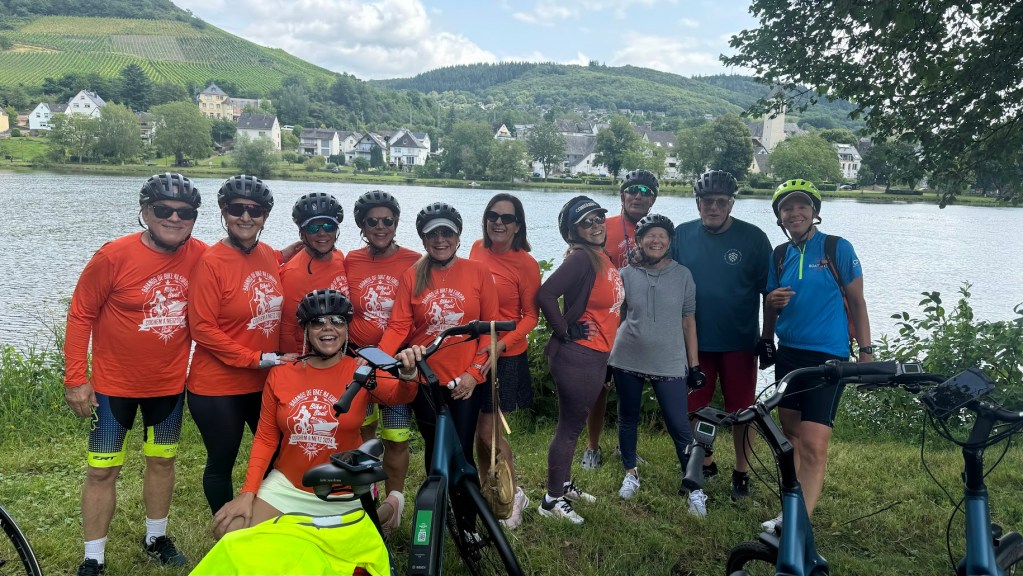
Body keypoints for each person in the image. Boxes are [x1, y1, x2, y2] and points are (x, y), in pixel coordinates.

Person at [64, 173, 206, 575]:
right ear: (145, 211)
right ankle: (93, 557)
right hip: (114, 389)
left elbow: (242, 264)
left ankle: (155, 537)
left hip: (168, 386)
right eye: (164, 209)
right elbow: (81, 314)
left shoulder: (202, 255)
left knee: (162, 462)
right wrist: (75, 378)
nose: (175, 218)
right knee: (102, 470)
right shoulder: (113, 256)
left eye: (185, 213)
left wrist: (293, 251)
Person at [211, 290, 417, 537]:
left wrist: (408, 375)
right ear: (306, 330)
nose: (328, 327)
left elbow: (398, 396)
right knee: (228, 530)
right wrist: (248, 492)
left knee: (338, 550)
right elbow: (265, 438)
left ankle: (389, 508)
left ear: (346, 329)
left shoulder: (360, 371)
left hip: (341, 486)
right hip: (288, 485)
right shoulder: (281, 373)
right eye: (318, 322)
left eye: (337, 321)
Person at [377, 202, 498, 528]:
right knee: (435, 448)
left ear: (458, 236)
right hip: (426, 380)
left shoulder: (478, 272)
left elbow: (490, 332)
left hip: (466, 381)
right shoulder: (412, 275)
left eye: (447, 232)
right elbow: (399, 326)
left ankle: (467, 524)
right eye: (433, 234)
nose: (440, 239)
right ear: (423, 238)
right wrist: (376, 360)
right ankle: (440, 515)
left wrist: (474, 374)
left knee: (461, 450)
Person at [761, 179, 873, 531]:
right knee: (791, 433)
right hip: (789, 354)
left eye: (802, 206)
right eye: (787, 208)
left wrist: (866, 352)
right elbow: (770, 302)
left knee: (813, 444)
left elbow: (857, 302)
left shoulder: (836, 248)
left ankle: (799, 522)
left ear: (814, 212)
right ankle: (790, 508)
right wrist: (768, 326)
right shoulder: (779, 254)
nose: (794, 213)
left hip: (828, 357)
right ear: (779, 215)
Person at [187, 174, 301, 515]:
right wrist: (256, 357)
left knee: (278, 455)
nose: (246, 217)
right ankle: (227, 530)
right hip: (218, 387)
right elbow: (202, 328)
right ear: (224, 212)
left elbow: (273, 261)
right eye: (237, 209)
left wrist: (305, 244)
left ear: (265, 215)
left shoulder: (267, 254)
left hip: (264, 381)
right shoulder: (210, 262)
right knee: (223, 459)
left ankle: (266, 520)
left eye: (255, 210)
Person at [673, 170, 773, 501]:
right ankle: (705, 462)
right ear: (697, 203)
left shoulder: (754, 238)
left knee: (743, 411)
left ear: (731, 204)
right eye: (706, 201)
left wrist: (767, 337)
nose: (713, 207)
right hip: (695, 342)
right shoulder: (681, 235)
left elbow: (769, 294)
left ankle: (742, 472)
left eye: (720, 202)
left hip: (739, 342)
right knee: (694, 407)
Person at [608, 214, 709, 515]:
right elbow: (616, 317)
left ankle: (694, 487)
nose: (656, 240)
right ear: (639, 241)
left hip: (669, 360)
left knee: (679, 425)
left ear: (669, 241)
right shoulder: (625, 274)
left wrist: (694, 365)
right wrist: (606, 356)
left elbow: (689, 321)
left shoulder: (683, 275)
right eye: (649, 235)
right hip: (627, 356)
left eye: (661, 235)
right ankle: (630, 473)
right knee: (627, 417)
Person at [535, 196, 624, 524]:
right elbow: (545, 294)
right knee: (570, 428)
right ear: (573, 231)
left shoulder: (601, 257)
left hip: (596, 354)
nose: (596, 224)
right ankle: (551, 501)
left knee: (571, 425)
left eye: (598, 217)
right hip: (578, 355)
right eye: (586, 222)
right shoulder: (582, 259)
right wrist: (564, 329)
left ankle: (563, 484)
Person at [345, 190, 420, 534]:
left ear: (396, 222)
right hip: (357, 359)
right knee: (363, 434)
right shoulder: (351, 260)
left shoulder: (415, 261)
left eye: (387, 220)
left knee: (396, 437)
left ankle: (395, 504)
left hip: (395, 363)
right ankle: (367, 500)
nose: (380, 227)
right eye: (372, 221)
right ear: (361, 225)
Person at [577, 169, 660, 470]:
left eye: (645, 191)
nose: (638, 196)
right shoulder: (603, 226)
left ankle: (626, 447)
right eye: (632, 189)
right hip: (603, 321)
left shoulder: (659, 232)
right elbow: (577, 261)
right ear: (622, 195)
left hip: (638, 321)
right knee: (598, 386)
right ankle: (592, 447)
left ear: (653, 200)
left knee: (630, 388)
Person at [468, 193, 540, 530]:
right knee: (478, 434)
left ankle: (513, 496)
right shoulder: (474, 249)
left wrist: (501, 345)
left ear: (518, 226)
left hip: (506, 357)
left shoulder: (526, 264)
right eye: (493, 215)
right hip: (472, 353)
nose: (498, 222)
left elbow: (531, 317)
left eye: (507, 218)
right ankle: (491, 490)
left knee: (489, 432)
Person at [279, 192, 349, 354]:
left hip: (337, 350)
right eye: (313, 227)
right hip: (308, 355)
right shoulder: (294, 274)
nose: (322, 233)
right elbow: (286, 331)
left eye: (329, 226)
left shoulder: (338, 256)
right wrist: (298, 363)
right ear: (302, 233)